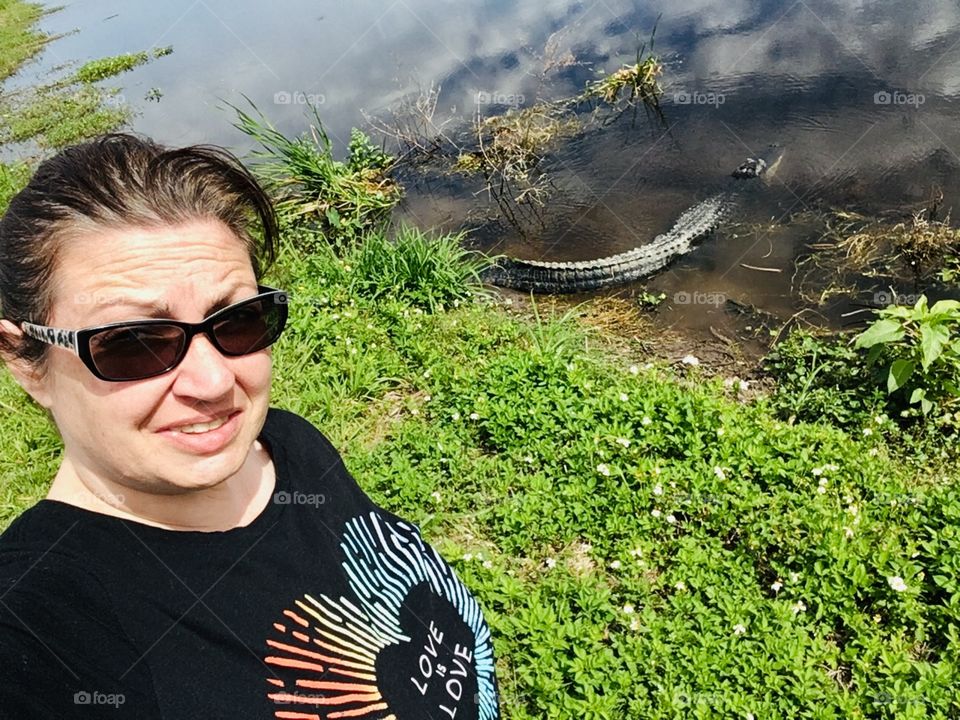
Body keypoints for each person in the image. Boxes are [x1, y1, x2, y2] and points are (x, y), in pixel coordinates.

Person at [0, 134, 499, 719]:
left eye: (237, 321)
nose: (213, 384)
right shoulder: (41, 630)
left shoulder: (285, 445)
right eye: (134, 343)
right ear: (24, 361)